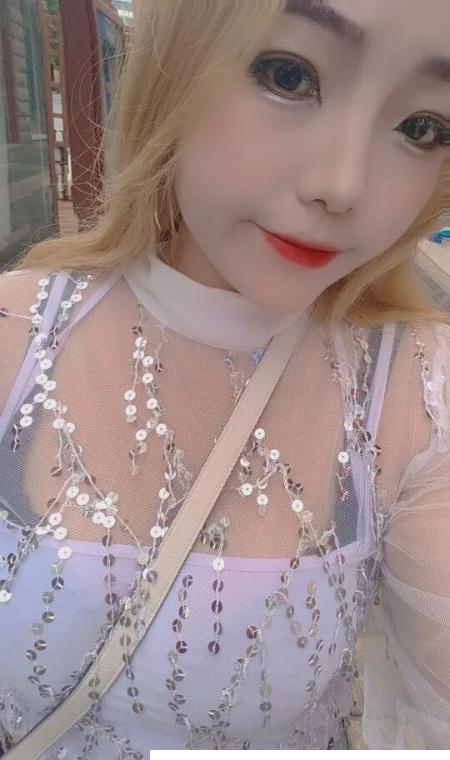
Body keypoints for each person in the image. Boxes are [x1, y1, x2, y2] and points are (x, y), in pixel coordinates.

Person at [0, 0, 449, 754]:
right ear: (174, 62)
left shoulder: (416, 387)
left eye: (423, 126)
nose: (342, 186)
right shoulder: (15, 333)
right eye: (288, 75)